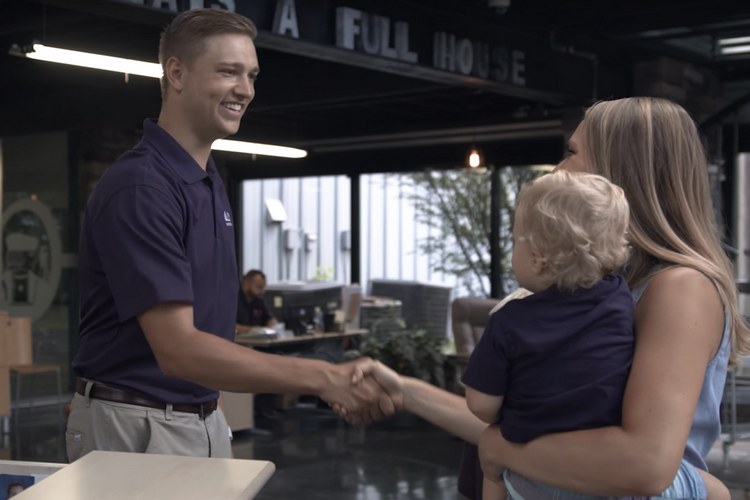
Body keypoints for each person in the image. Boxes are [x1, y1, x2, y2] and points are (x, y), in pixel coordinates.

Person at [350, 97, 749, 498]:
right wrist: (404, 390)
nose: (558, 168)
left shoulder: (680, 287)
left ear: (620, 170)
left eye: (571, 152)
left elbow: (644, 464)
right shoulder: (605, 287)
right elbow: (533, 433)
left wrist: (500, 448)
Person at [66, 8, 391, 462]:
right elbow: (179, 349)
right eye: (228, 72)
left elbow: (206, 336)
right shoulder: (141, 187)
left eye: (252, 75)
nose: (246, 90)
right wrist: (322, 376)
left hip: (199, 417)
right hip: (137, 426)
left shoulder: (207, 180)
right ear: (175, 73)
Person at [462, 170, 634, 499]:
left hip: (534, 471)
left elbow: (481, 405)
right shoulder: (619, 299)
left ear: (538, 258)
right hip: (602, 470)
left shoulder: (509, 320)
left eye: (515, 241)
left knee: (489, 463)